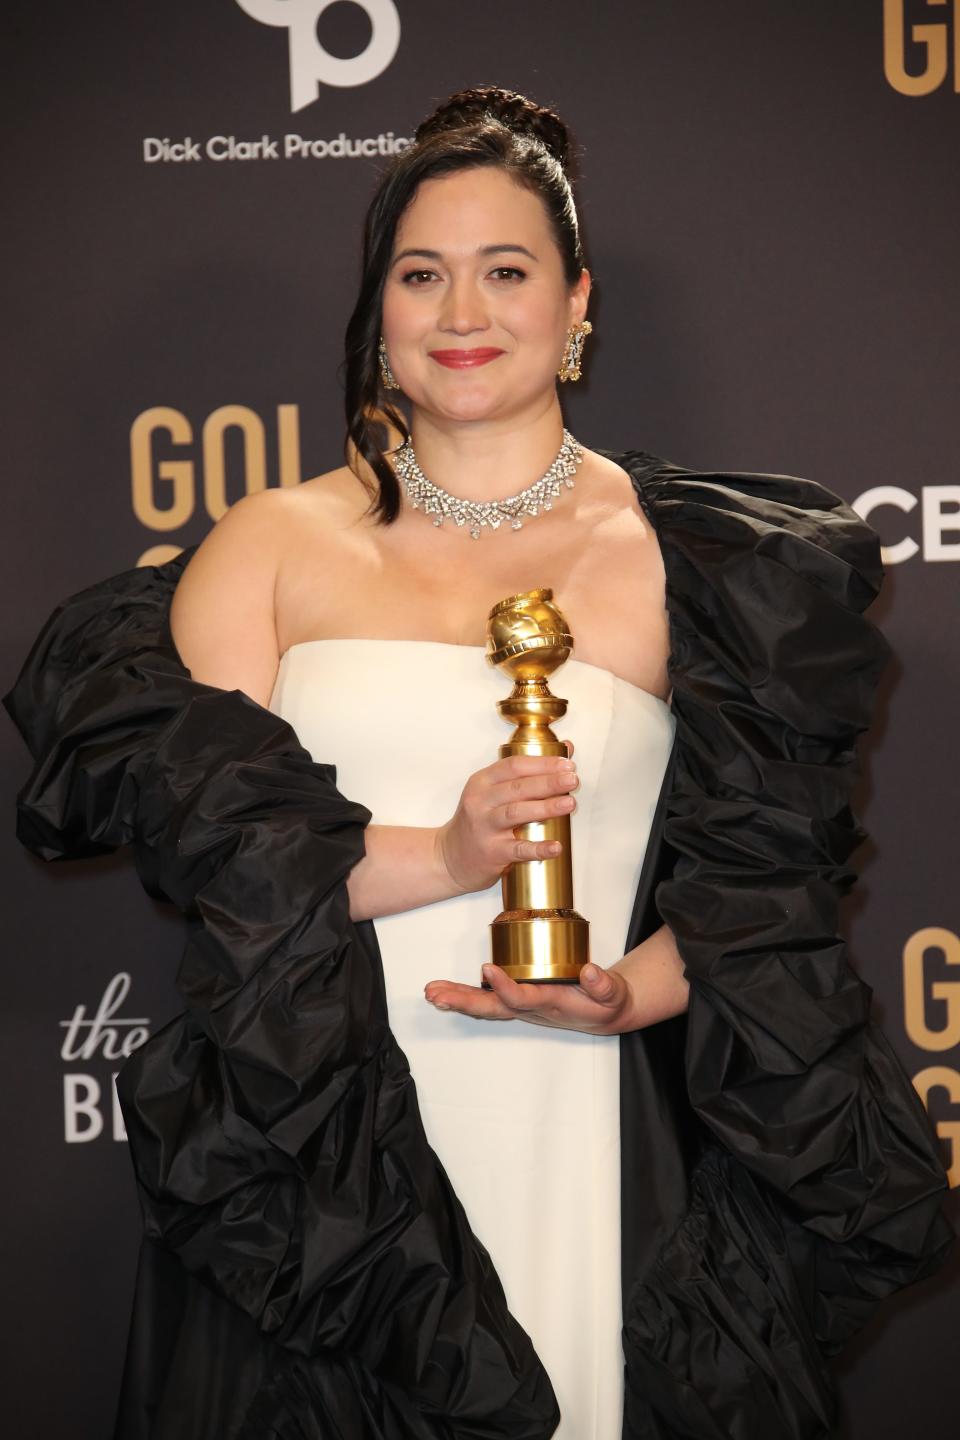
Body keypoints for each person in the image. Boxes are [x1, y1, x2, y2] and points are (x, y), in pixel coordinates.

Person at [3, 86, 953, 1440]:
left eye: (506, 272)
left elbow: (766, 904)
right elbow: (216, 859)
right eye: (421, 274)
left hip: (589, 1135)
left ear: (577, 307)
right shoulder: (268, 546)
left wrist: (630, 991)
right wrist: (445, 858)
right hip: (323, 1164)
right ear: (376, 315)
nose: (462, 313)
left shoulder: (704, 565)